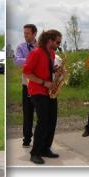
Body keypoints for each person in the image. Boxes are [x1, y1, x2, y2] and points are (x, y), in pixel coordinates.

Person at [23, 29, 62, 165]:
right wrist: (44, 82)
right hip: (38, 91)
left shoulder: (51, 53)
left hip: (49, 91)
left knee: (52, 121)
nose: (59, 44)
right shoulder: (35, 53)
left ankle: (46, 148)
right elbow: (27, 73)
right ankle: (35, 153)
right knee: (43, 121)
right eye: (57, 41)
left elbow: (46, 69)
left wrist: (55, 70)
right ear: (49, 40)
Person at [13, 24, 38, 148]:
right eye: (24, 33)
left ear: (34, 34)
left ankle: (40, 139)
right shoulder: (21, 47)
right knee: (27, 113)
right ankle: (27, 139)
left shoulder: (42, 47)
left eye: (27, 33)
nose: (25, 35)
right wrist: (32, 58)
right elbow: (17, 61)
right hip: (26, 85)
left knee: (41, 113)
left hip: (40, 85)